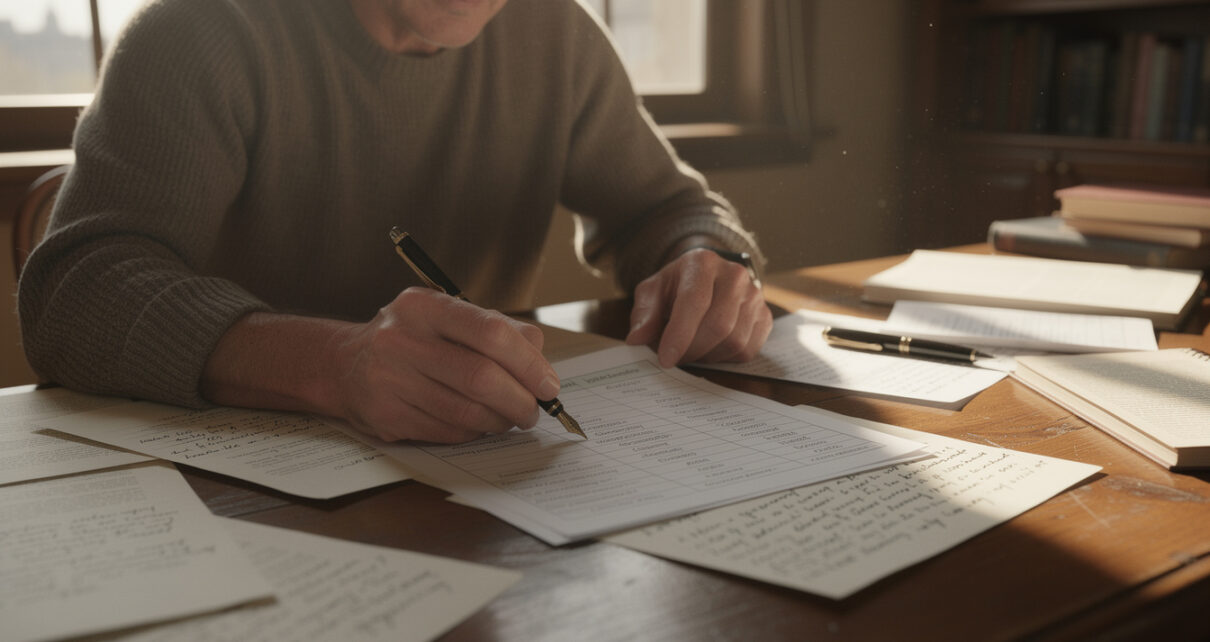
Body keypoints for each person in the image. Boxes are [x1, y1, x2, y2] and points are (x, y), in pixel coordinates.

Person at [17, 0, 773, 444]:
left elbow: (669, 209)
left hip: (470, 472)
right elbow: (73, 293)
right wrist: (335, 363)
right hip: (223, 478)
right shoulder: (200, 30)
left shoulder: (554, 32)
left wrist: (708, 261)